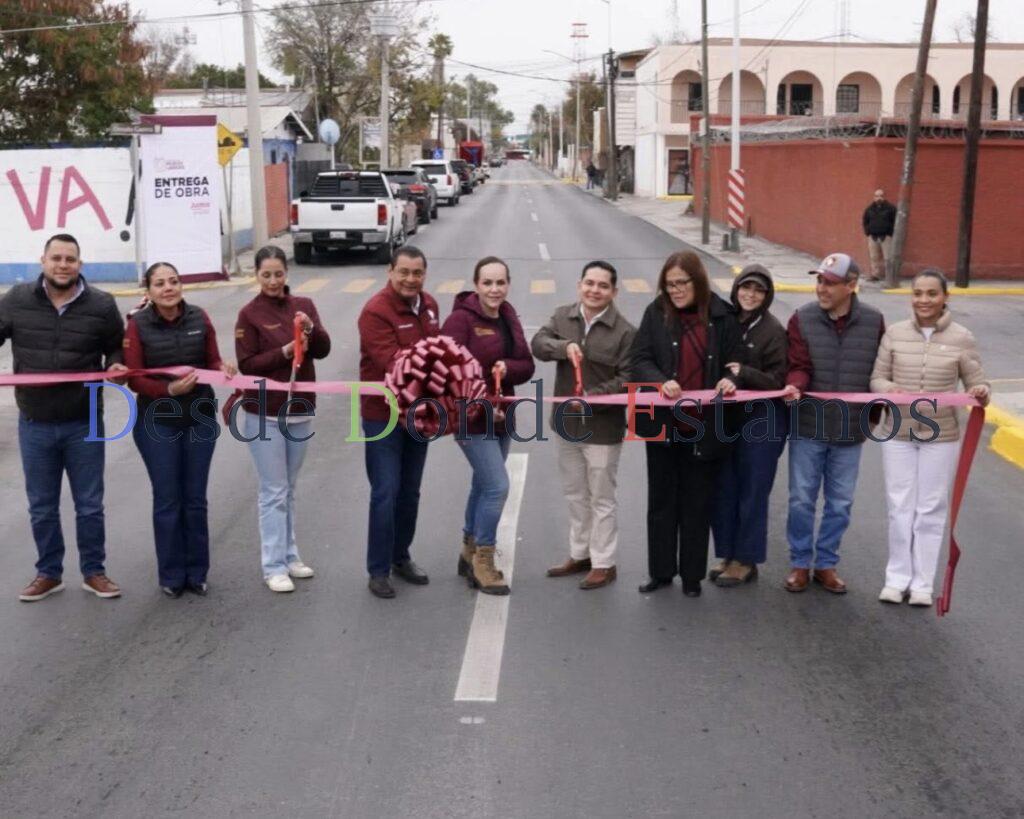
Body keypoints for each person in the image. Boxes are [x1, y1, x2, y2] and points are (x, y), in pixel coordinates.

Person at [0, 234, 127, 602]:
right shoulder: (17, 300)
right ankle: (48, 573)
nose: (62, 265)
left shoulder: (101, 304)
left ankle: (94, 571)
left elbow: (115, 345)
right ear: (43, 261)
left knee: (89, 504)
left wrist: (116, 362)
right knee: (41, 506)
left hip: (84, 419)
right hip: (35, 421)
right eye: (56, 258)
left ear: (80, 265)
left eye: (70, 259)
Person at [870, 268, 989, 607]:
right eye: (918, 293)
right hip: (898, 432)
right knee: (899, 506)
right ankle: (896, 579)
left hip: (941, 436)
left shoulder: (962, 337)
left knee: (931, 508)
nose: (924, 300)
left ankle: (922, 583)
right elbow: (877, 377)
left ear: (944, 298)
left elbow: (978, 384)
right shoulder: (894, 333)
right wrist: (887, 388)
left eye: (931, 294)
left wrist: (981, 390)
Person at [629, 251, 742, 598]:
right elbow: (639, 359)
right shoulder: (656, 313)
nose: (675, 290)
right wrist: (660, 381)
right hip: (663, 423)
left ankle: (692, 576)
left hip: (705, 426)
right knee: (661, 501)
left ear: (698, 281)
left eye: (681, 283)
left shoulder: (723, 316)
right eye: (669, 284)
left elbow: (734, 362)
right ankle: (661, 572)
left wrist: (728, 378)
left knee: (697, 503)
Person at [124, 262, 237, 597]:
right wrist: (168, 391)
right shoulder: (137, 325)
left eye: (174, 281)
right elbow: (134, 378)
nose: (168, 288)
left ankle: (197, 572)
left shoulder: (199, 318)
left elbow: (213, 360)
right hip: (157, 421)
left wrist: (223, 367)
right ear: (149, 291)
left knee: (195, 499)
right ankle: (172, 575)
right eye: (160, 283)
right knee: (168, 499)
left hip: (199, 420)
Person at [782, 252, 884, 594]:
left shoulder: (874, 322)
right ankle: (800, 562)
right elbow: (797, 364)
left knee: (840, 503)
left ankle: (826, 562)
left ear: (852, 286)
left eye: (830, 283)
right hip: (808, 426)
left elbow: (878, 374)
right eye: (819, 281)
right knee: (801, 499)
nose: (821, 288)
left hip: (849, 431)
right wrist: (795, 385)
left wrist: (870, 419)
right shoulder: (802, 319)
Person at [532, 261, 636, 590]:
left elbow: (629, 378)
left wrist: (593, 396)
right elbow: (538, 343)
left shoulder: (625, 332)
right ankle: (580, 554)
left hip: (603, 428)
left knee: (601, 496)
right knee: (575, 494)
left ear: (613, 292)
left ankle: (604, 562)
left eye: (602, 286)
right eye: (589, 283)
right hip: (567, 425)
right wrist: (563, 347)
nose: (594, 290)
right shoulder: (563, 316)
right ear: (579, 285)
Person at [235, 245, 331, 593]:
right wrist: (284, 352)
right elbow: (247, 365)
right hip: (264, 413)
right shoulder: (249, 314)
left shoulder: (304, 306)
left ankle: (290, 555)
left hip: (300, 410)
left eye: (278, 274)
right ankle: (273, 566)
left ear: (286, 274)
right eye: (266, 275)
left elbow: (323, 349)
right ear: (257, 276)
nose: (273, 281)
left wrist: (311, 330)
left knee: (288, 489)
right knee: (272, 491)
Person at [441, 256, 535, 595]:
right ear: (476, 285)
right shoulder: (459, 320)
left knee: (483, 484)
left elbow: (527, 365)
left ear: (507, 284)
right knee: (497, 486)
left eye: (500, 283)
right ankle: (483, 558)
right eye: (488, 283)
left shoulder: (508, 315)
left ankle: (467, 550)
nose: (494, 290)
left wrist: (507, 368)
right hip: (470, 418)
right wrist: (482, 398)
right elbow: (447, 372)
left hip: (502, 415)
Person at [358, 246, 440, 599]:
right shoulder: (375, 311)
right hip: (383, 415)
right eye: (403, 272)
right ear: (390, 272)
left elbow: (438, 350)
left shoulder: (431, 305)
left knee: (410, 491)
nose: (410, 279)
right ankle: (378, 569)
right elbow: (394, 363)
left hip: (419, 414)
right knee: (386, 491)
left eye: (417, 273)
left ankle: (400, 556)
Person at [709, 265, 788, 587]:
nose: (751, 295)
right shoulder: (726, 322)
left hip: (764, 420)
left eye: (758, 290)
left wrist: (744, 372)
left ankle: (747, 559)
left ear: (767, 296)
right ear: (736, 289)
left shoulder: (772, 330)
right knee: (724, 487)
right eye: (746, 288)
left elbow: (777, 381)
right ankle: (728, 553)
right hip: (727, 418)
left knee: (753, 490)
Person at [862, 188, 897, 282]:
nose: (879, 198)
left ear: (884, 197)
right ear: (874, 197)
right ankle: (875, 275)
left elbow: (895, 222)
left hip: (886, 237)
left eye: (881, 196)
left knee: (888, 257)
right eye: (877, 196)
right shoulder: (869, 209)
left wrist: (890, 233)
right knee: (874, 257)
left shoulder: (891, 208)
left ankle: (889, 277)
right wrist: (867, 232)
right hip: (873, 236)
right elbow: (865, 221)